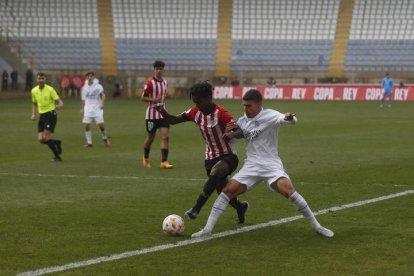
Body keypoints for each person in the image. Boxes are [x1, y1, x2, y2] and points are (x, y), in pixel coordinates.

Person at [192, 89, 334, 238]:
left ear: (259, 104)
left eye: (249, 106)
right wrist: (228, 135)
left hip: (271, 165)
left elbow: (288, 120)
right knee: (227, 191)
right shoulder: (242, 121)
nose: (245, 109)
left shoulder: (270, 115)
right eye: (244, 106)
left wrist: (289, 117)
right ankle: (207, 229)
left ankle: (317, 226)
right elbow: (234, 138)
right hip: (251, 165)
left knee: (289, 191)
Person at [156, 81, 249, 223]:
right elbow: (173, 120)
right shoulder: (194, 112)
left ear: (208, 98)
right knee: (223, 191)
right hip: (210, 158)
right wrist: (162, 110)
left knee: (216, 173)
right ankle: (240, 207)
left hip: (228, 155)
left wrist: (231, 134)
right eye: (194, 102)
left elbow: (239, 131)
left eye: (198, 102)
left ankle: (196, 208)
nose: (196, 105)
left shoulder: (222, 114)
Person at [141, 60, 173, 169]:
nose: (159, 71)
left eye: (160, 69)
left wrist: (166, 96)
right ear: (154, 70)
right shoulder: (150, 83)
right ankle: (145, 157)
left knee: (166, 137)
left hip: (163, 114)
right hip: (151, 115)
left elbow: (163, 95)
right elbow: (143, 97)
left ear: (163, 70)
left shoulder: (165, 82)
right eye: (157, 69)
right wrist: (154, 99)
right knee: (150, 138)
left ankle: (164, 162)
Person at [31, 72, 64, 161]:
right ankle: (57, 142)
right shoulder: (34, 91)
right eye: (39, 78)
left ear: (45, 80)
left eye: (42, 79)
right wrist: (33, 114)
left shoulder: (50, 90)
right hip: (42, 116)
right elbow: (34, 103)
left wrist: (59, 106)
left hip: (50, 115)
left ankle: (57, 157)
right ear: (36, 79)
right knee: (41, 139)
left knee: (45, 137)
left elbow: (59, 101)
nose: (41, 80)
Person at [80, 72, 110, 148]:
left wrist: (102, 103)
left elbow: (103, 95)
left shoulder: (98, 86)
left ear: (93, 77)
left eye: (91, 76)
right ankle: (89, 143)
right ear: (86, 78)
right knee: (86, 126)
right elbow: (83, 99)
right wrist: (82, 109)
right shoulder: (84, 88)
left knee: (101, 126)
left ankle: (105, 140)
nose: (90, 78)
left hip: (97, 107)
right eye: (88, 76)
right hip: (88, 108)